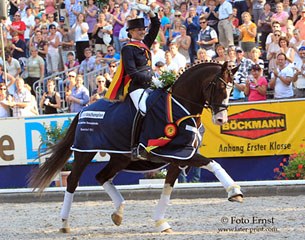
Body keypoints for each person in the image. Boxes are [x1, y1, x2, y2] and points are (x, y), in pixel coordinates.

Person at [105, 5, 160, 160]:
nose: (142, 31)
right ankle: (135, 146)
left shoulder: (145, 43)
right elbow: (132, 72)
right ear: (130, 32)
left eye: (143, 29)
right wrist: (151, 79)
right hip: (137, 87)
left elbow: (156, 25)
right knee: (142, 110)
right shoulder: (128, 48)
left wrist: (150, 12)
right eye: (138, 30)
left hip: (151, 84)